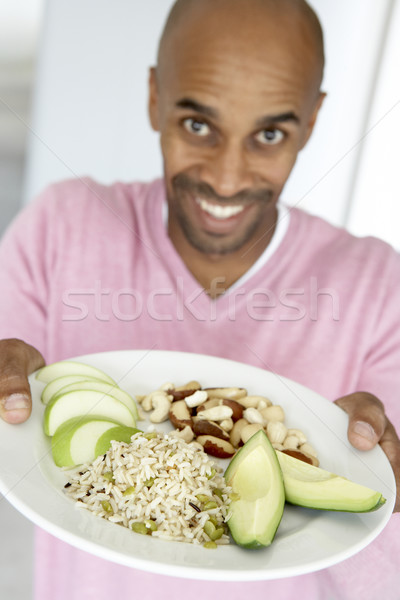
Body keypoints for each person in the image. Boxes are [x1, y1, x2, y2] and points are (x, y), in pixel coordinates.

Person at [0, 0, 399, 598]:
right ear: (155, 98)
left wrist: (386, 505)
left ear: (312, 123)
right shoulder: (60, 226)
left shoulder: (378, 285)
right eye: (197, 126)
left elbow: (380, 572)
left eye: (269, 134)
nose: (227, 178)